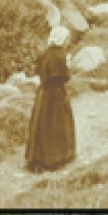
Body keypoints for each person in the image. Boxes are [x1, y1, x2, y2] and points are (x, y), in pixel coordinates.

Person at [24, 26, 77, 172]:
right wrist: (68, 66)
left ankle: (36, 158)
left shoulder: (44, 54)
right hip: (56, 93)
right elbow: (64, 77)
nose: (67, 41)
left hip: (43, 93)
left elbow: (38, 71)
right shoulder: (61, 55)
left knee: (41, 124)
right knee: (57, 124)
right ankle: (56, 159)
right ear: (62, 39)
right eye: (66, 38)